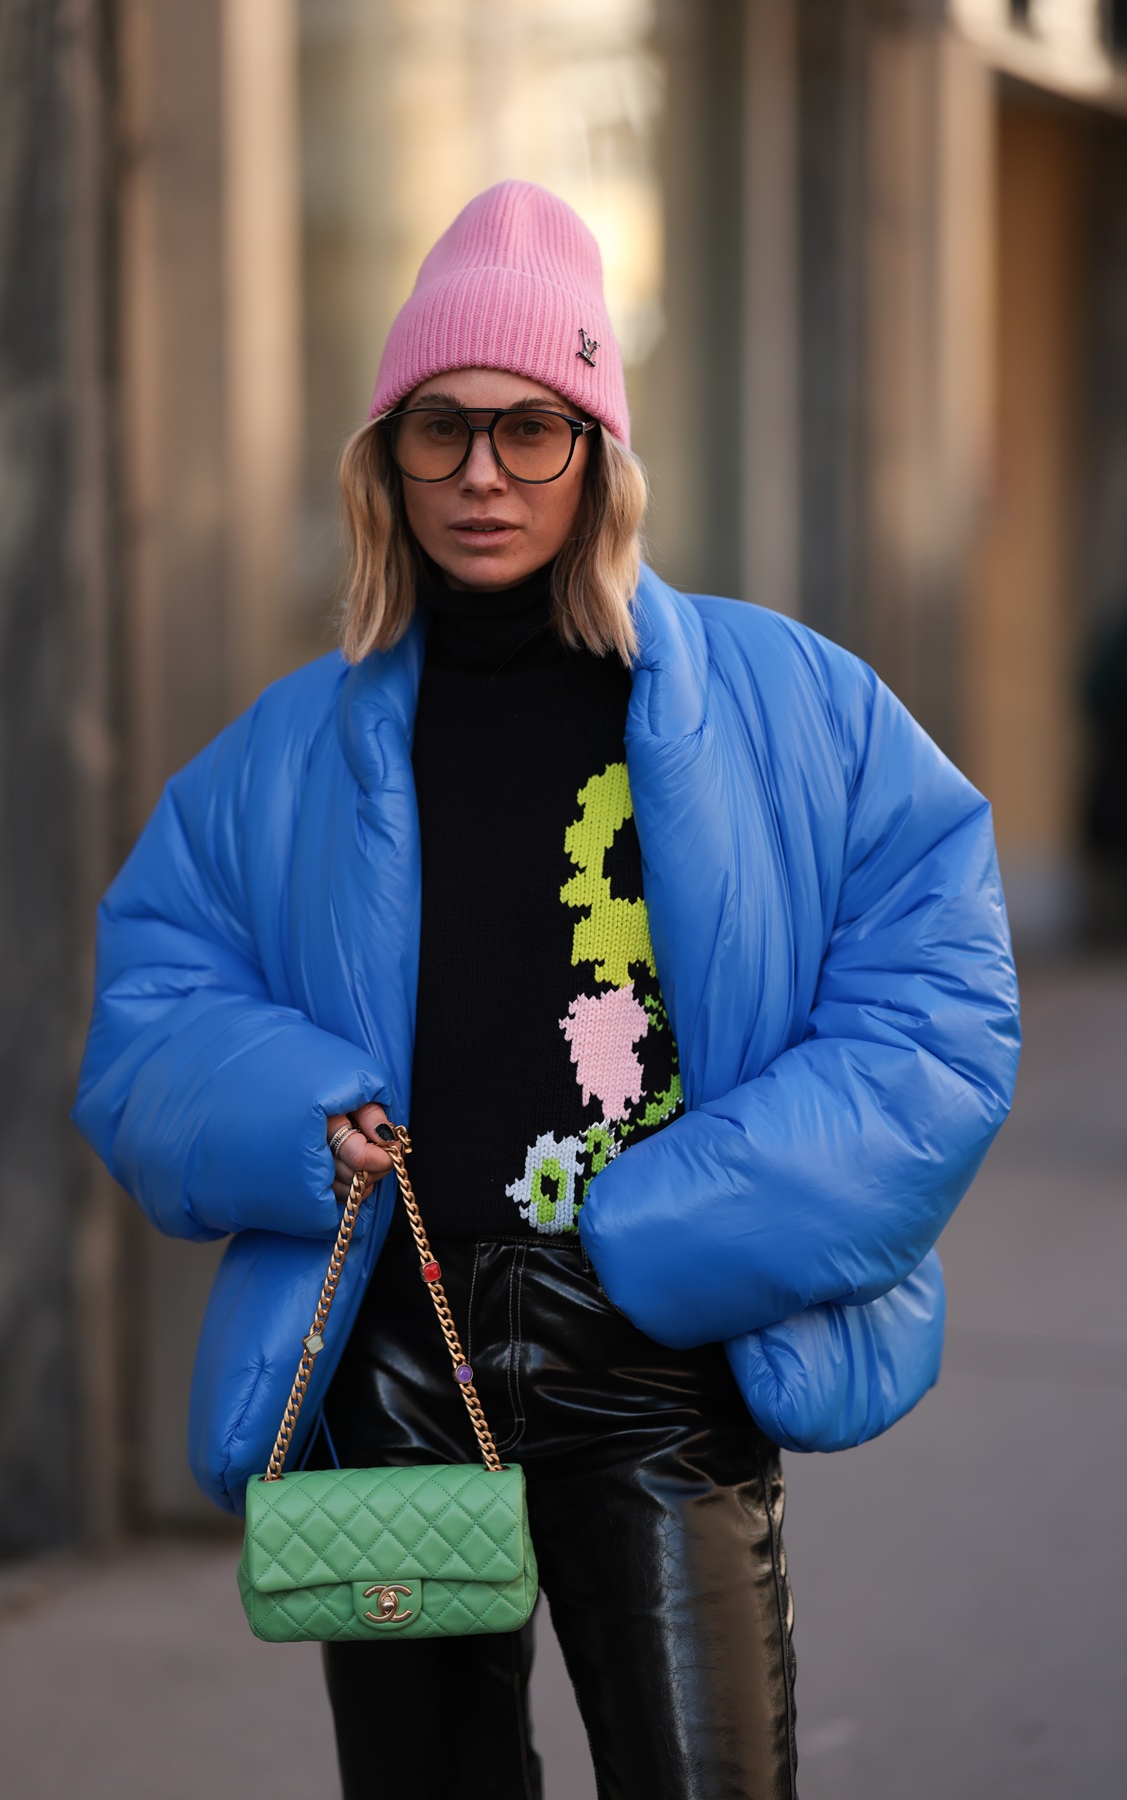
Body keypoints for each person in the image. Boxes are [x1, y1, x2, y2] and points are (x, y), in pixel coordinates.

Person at [73, 182, 1020, 1800]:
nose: (485, 476)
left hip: (660, 1361)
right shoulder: (284, 754)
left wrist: (688, 1221)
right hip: (396, 1353)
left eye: (533, 429)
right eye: (441, 430)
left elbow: (942, 1005)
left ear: (600, 453)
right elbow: (147, 1015)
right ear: (388, 456)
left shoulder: (796, 706)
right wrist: (294, 1108)